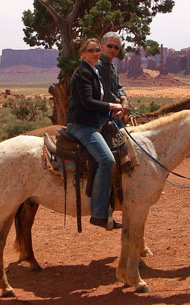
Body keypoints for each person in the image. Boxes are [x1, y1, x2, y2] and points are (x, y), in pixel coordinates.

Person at [66, 38, 123, 229]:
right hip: (82, 126)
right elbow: (87, 102)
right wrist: (111, 105)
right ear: (82, 53)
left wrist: (109, 111)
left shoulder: (94, 71)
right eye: (90, 50)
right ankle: (99, 214)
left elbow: (95, 103)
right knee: (107, 160)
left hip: (92, 123)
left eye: (97, 50)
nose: (95, 53)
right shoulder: (82, 73)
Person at [96, 32, 130, 119]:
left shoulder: (110, 66)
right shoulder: (98, 65)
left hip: (110, 109)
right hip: (97, 113)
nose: (113, 49)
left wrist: (124, 98)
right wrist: (121, 103)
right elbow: (105, 93)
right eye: (109, 46)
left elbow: (118, 86)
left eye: (116, 47)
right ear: (101, 46)